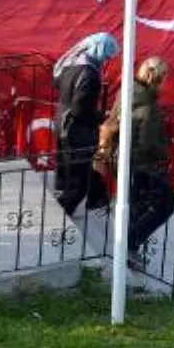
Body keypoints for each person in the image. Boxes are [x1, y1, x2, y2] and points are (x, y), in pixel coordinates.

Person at [96, 57, 174, 268]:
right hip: (140, 165)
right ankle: (129, 246)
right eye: (164, 76)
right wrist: (165, 150)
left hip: (121, 160)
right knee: (166, 203)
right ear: (156, 77)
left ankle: (129, 250)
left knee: (136, 207)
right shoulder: (148, 106)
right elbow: (147, 144)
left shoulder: (127, 92)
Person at [53, 32, 119, 216]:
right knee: (80, 178)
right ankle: (62, 214)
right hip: (76, 129)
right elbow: (80, 109)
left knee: (75, 171)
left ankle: (97, 198)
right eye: (107, 56)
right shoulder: (89, 73)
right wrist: (102, 118)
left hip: (62, 122)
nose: (106, 60)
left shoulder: (69, 64)